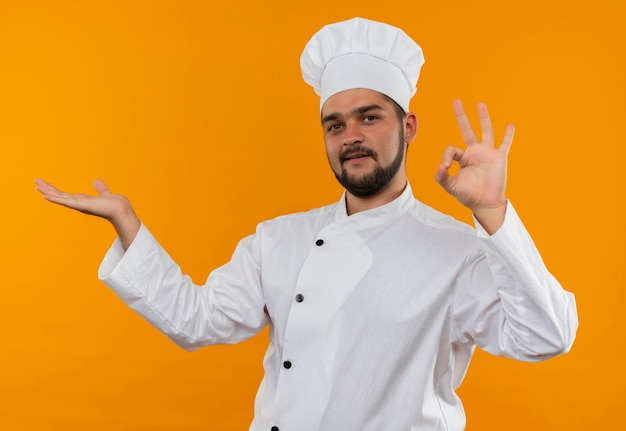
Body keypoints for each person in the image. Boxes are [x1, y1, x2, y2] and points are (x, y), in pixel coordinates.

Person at [35, 17, 577, 431]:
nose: (351, 137)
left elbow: (546, 337)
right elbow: (196, 321)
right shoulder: (279, 239)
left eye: (370, 117)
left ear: (408, 126)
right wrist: (127, 224)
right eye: (335, 124)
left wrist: (491, 213)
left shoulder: (459, 250)